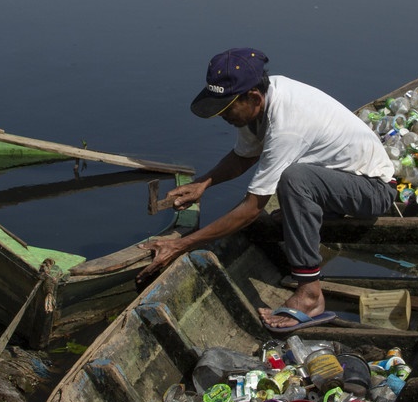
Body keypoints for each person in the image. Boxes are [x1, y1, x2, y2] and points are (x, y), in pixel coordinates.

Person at [142, 47, 394, 332]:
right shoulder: (260, 102)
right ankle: (305, 216)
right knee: (290, 185)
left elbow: (251, 210)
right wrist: (204, 183)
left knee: (294, 179)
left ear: (253, 97)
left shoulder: (288, 123)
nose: (223, 117)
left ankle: (310, 295)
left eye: (227, 109)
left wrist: (181, 244)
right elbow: (244, 155)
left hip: (373, 190)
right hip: (337, 182)